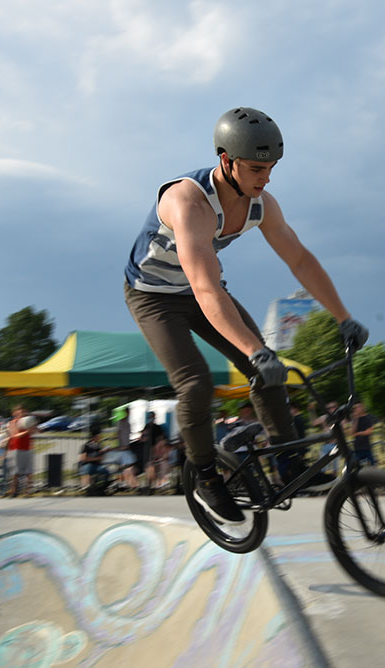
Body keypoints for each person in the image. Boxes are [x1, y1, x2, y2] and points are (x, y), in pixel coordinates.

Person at [124, 107, 367, 524]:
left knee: (268, 367)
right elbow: (204, 288)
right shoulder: (187, 202)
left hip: (204, 290)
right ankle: (205, 477)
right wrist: (255, 351)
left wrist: (343, 317)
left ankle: (288, 462)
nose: (266, 179)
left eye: (271, 168)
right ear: (226, 160)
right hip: (154, 297)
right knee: (196, 383)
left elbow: (300, 260)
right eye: (256, 168)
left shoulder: (261, 204)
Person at [7, 406, 35, 497]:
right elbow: (14, 435)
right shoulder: (13, 422)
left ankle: (28, 491)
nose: (22, 414)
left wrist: (32, 427)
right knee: (15, 472)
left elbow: (35, 431)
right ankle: (14, 491)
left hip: (27, 448)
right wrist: (27, 432)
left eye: (23, 412)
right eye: (19, 412)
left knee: (29, 471)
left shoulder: (27, 422)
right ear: (15, 413)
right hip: (16, 449)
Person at [78, 425, 111, 494]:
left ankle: (102, 488)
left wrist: (104, 452)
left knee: (106, 471)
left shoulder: (98, 446)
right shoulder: (87, 445)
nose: (100, 437)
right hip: (87, 465)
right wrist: (97, 458)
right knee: (88, 469)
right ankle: (87, 488)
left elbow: (101, 457)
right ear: (95, 437)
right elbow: (83, 458)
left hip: (96, 465)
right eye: (99, 436)